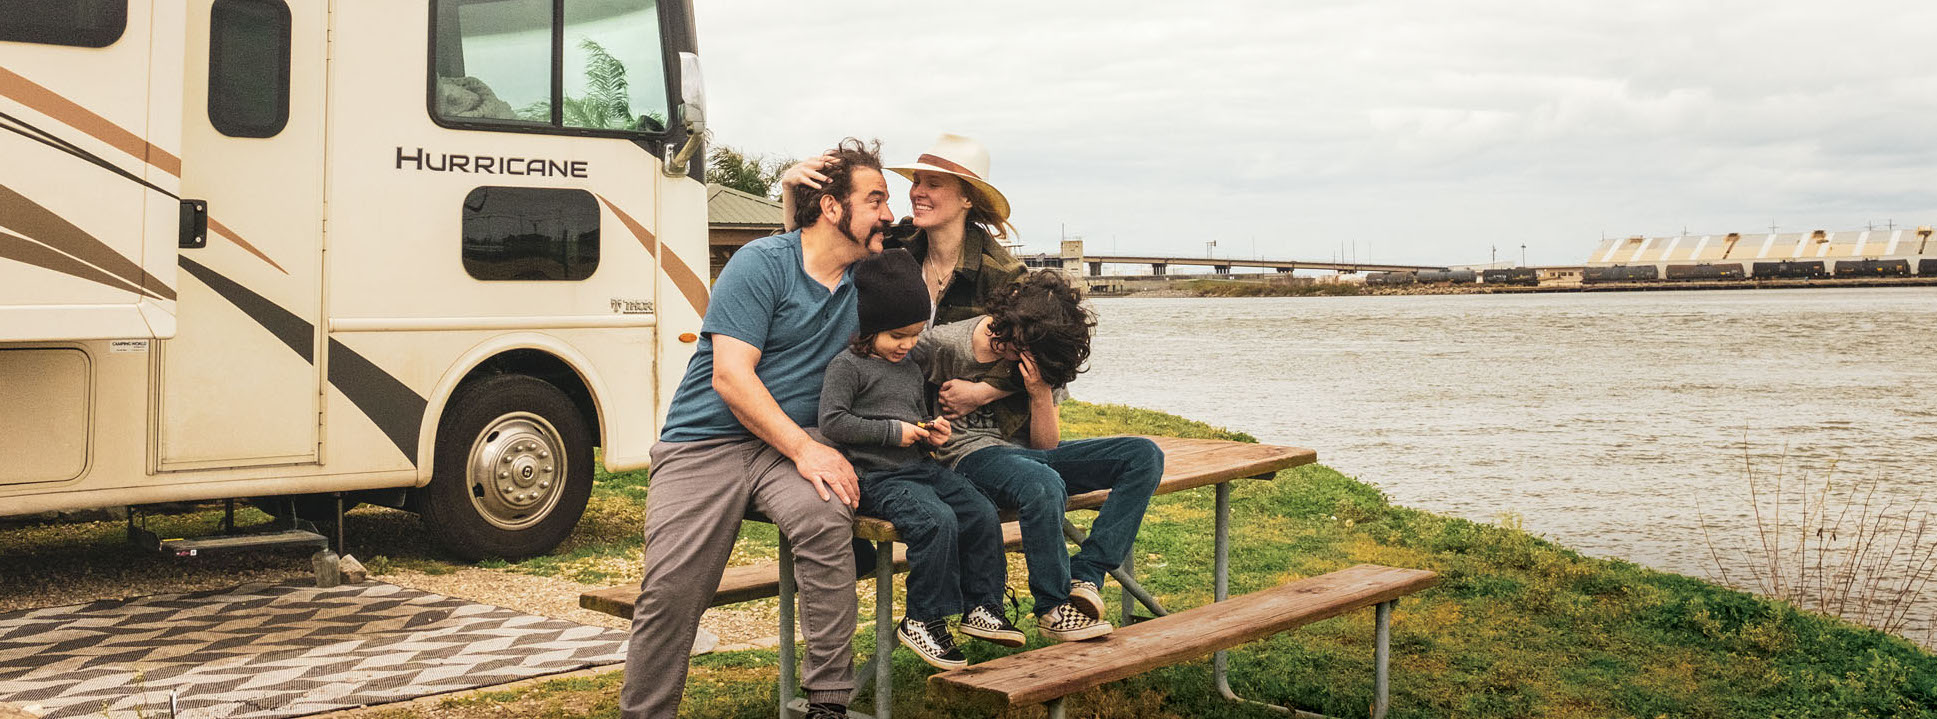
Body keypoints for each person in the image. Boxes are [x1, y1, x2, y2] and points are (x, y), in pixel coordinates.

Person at [621, 138, 894, 719]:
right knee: (671, 590)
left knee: (826, 519)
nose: (888, 214)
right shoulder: (761, 263)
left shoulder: (868, 284)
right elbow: (731, 378)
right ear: (832, 208)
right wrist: (808, 450)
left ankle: (826, 703)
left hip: (787, 449)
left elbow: (942, 255)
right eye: (875, 199)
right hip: (704, 442)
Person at [920, 271, 1165, 641]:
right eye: (1015, 344)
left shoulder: (1046, 351)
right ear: (1009, 318)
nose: (1017, 355)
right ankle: (1052, 608)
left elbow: (1045, 447)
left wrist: (1038, 392)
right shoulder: (945, 344)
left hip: (1028, 458)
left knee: (1144, 455)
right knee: (1043, 482)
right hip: (970, 457)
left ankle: (1086, 575)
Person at [817, 248, 1025, 670]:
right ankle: (923, 619)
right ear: (870, 327)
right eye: (897, 336)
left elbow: (915, 419)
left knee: (980, 510)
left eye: (915, 334)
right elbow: (833, 422)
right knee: (935, 521)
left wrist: (932, 432)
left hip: (921, 467)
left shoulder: (911, 367)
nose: (908, 344)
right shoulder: (847, 367)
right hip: (877, 478)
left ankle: (983, 605)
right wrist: (895, 432)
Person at [784, 134, 1027, 426]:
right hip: (885, 421)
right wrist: (789, 191)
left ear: (967, 197)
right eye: (916, 182)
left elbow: (1045, 348)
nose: (917, 193)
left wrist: (983, 391)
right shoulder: (892, 247)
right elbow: (816, 250)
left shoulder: (1002, 272)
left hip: (967, 427)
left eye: (933, 184)